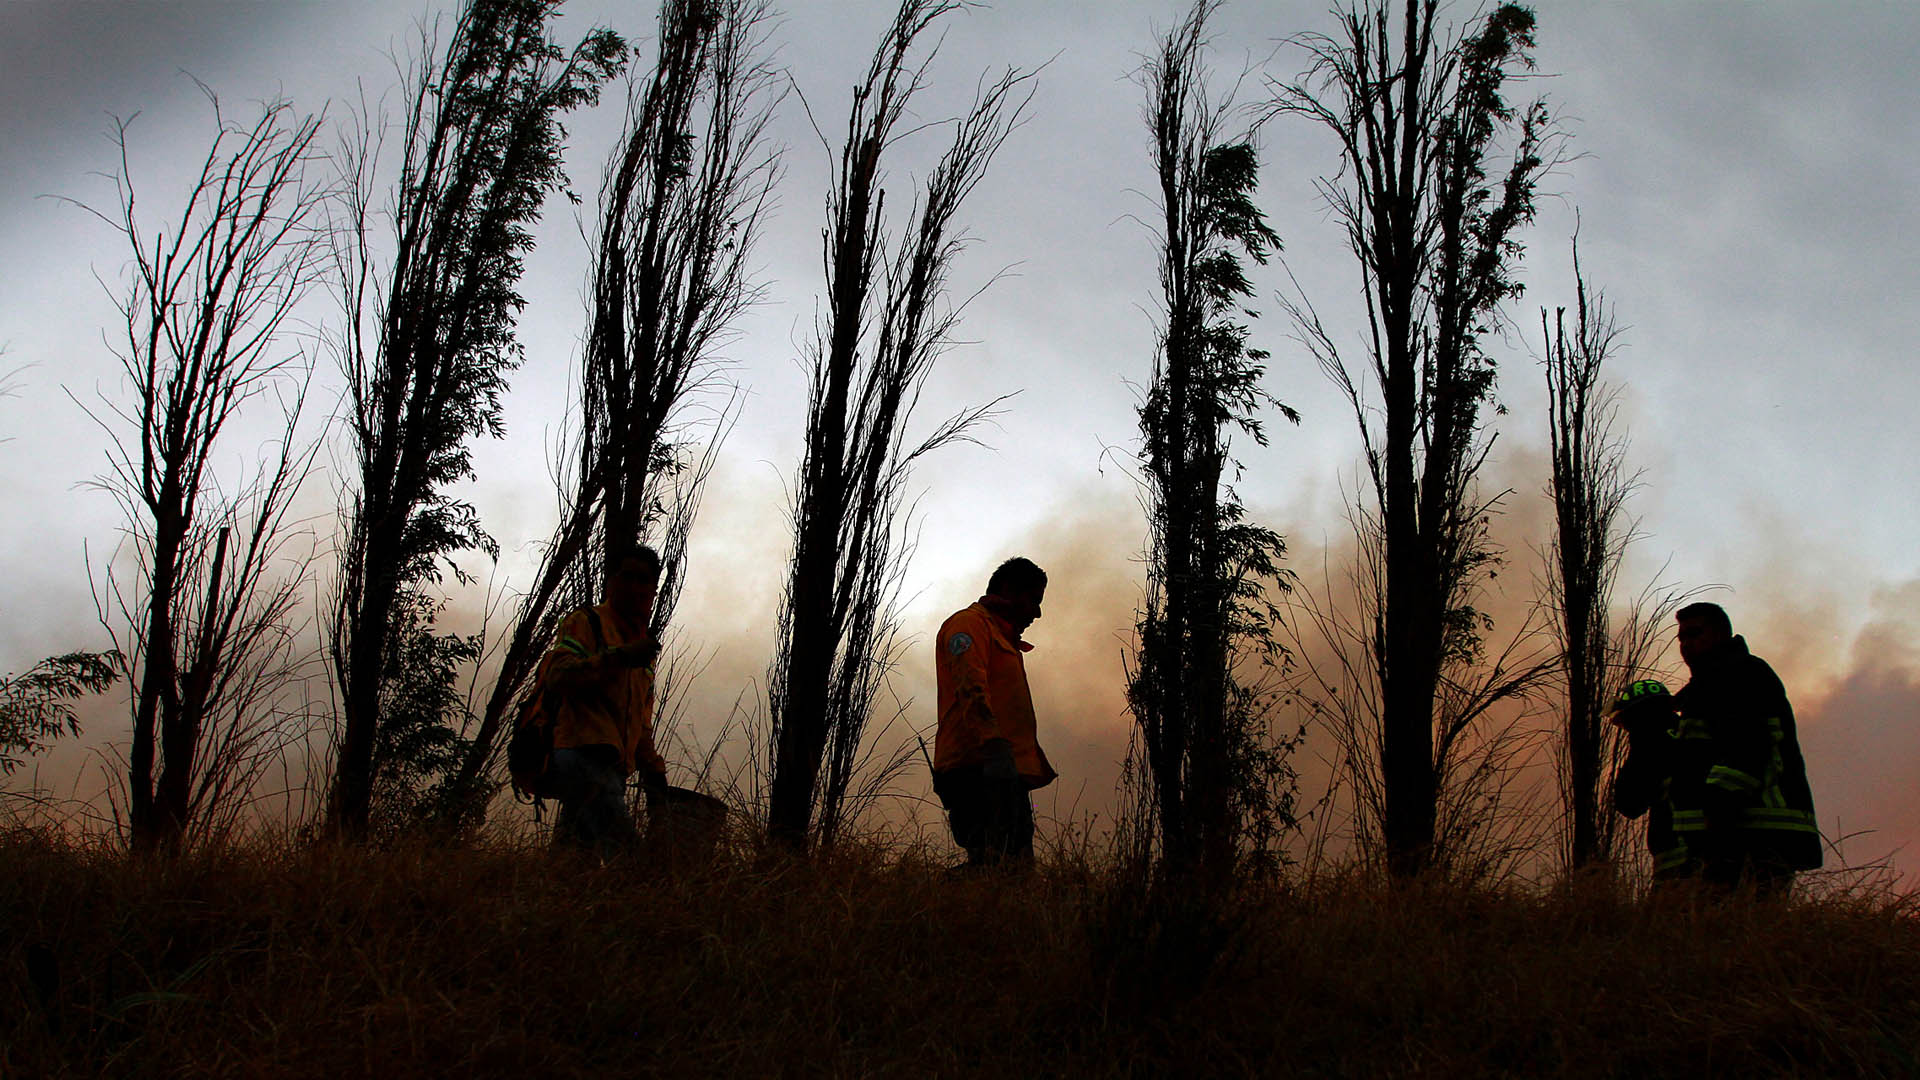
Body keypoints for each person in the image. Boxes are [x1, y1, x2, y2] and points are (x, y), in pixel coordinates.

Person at [1667, 601, 1822, 895]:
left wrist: (1718, 819)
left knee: (1745, 929)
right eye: (1682, 638)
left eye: (1695, 634)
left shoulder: (1742, 675)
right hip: (1732, 834)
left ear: (1721, 635)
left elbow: (1746, 750)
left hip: (1755, 832)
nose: (1686, 644)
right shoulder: (1706, 687)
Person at [531, 541, 669, 857]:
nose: (634, 587)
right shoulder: (587, 623)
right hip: (581, 757)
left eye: (643, 580)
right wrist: (619, 658)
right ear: (611, 581)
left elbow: (639, 721)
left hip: (613, 772)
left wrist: (654, 771)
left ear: (653, 590)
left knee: (572, 870)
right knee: (631, 862)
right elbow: (559, 677)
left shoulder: (642, 649)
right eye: (627, 577)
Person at [931, 557, 1058, 866]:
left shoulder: (1003, 638)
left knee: (1010, 869)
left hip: (999, 768)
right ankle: (926, 904)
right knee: (997, 866)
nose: (1037, 612)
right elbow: (970, 689)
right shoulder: (969, 626)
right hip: (978, 767)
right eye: (1033, 600)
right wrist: (994, 748)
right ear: (1009, 591)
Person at [1610, 679, 1696, 883]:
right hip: (1715, 846)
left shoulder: (1647, 742)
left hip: (1675, 858)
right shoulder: (1691, 732)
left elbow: (1629, 804)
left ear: (1634, 716)